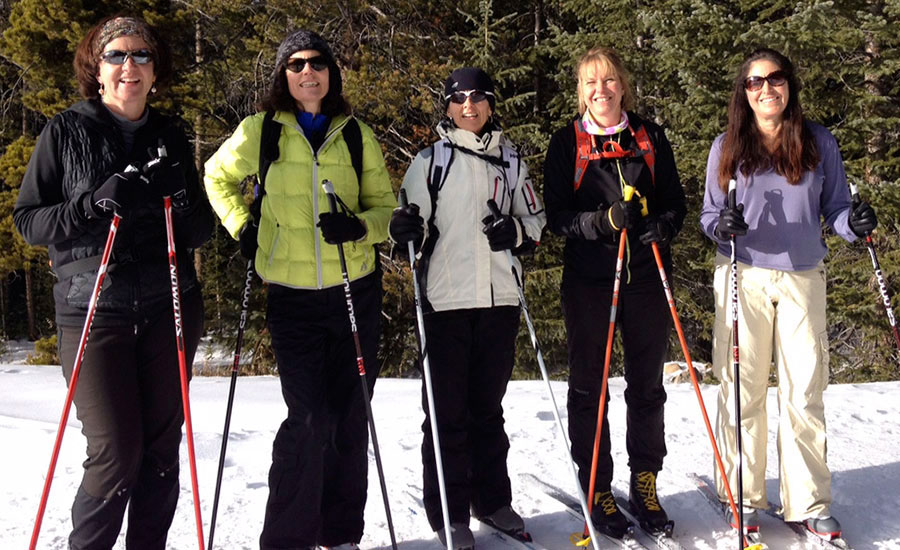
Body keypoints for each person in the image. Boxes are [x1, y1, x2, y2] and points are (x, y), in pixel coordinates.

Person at [12, 15, 213, 550]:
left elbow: (199, 231)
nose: (131, 66)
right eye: (117, 56)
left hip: (170, 303)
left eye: (142, 56)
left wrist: (184, 195)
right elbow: (29, 220)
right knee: (115, 452)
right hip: (94, 307)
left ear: (155, 72)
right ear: (96, 70)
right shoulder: (66, 130)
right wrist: (90, 203)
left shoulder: (169, 134)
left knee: (160, 448)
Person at [203, 29, 395, 550]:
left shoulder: (356, 134)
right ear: (282, 75)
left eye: (317, 63)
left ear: (331, 73)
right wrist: (243, 226)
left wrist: (360, 227)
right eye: (296, 64)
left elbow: (387, 210)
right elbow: (214, 177)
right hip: (291, 297)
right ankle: (288, 539)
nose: (307, 72)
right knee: (308, 419)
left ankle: (341, 535)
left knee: (350, 418)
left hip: (355, 291)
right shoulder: (260, 131)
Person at [700, 48, 876, 540]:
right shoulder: (728, 145)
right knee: (742, 389)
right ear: (745, 92)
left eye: (775, 79)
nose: (766, 89)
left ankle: (809, 501)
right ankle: (741, 494)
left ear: (789, 86)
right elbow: (711, 216)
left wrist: (854, 224)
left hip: (802, 277)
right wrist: (723, 227)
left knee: (804, 390)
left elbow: (837, 209)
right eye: (756, 82)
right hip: (744, 275)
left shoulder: (819, 142)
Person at [389, 67, 546, 548]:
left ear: (491, 103)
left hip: (499, 300)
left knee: (487, 409)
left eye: (478, 97)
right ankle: (450, 514)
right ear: (449, 106)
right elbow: (405, 221)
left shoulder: (512, 160)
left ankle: (492, 501)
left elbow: (535, 221)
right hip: (445, 301)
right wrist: (405, 232)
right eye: (458, 98)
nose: (469, 106)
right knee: (445, 413)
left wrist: (514, 233)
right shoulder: (431, 161)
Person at [542, 47, 686, 538]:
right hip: (590, 281)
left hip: (646, 278)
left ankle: (644, 481)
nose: (599, 91)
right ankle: (597, 487)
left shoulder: (647, 137)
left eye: (607, 81)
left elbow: (675, 204)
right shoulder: (568, 143)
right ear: (579, 91)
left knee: (646, 386)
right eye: (589, 83)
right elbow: (555, 214)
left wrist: (658, 226)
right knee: (590, 389)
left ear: (622, 85)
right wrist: (602, 221)